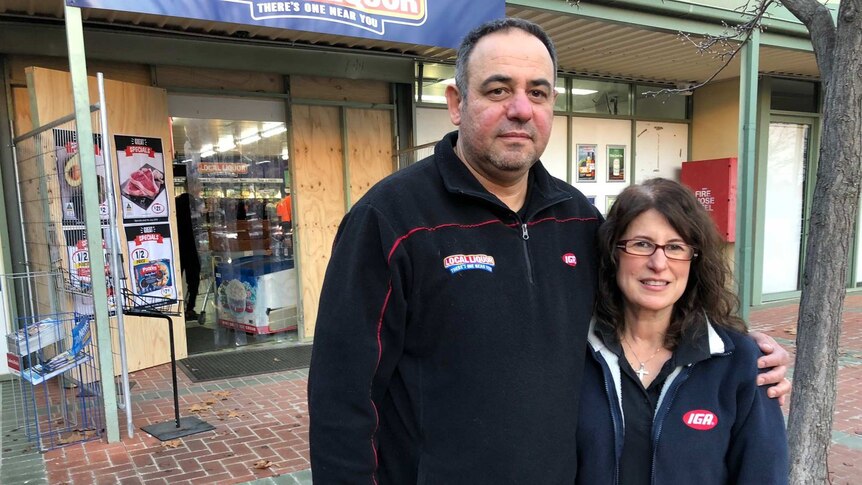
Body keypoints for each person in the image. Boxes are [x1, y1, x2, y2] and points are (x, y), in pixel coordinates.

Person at [308, 18, 790, 484]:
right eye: (498, 90)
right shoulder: (391, 220)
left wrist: (745, 357)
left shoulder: (577, 218)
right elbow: (342, 400)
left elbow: (647, 300)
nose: (521, 108)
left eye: (537, 92)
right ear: (456, 102)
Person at [576, 178, 789, 484]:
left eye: (675, 247)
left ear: (694, 259)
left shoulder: (741, 363)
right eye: (641, 244)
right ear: (614, 253)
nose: (658, 263)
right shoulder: (575, 352)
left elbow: (764, 475)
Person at [176, 191, 201, 321]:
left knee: (176, 279)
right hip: (192, 251)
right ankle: (190, 307)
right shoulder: (193, 217)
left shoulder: (175, 216)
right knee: (193, 280)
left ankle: (176, 306)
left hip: (178, 251)